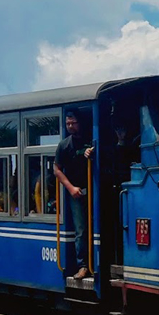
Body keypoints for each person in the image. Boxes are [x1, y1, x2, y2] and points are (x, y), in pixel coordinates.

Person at [54, 111, 93, 280]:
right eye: (68, 123)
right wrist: (70, 188)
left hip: (95, 190)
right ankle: (83, 265)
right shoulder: (64, 145)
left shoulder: (92, 139)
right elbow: (56, 169)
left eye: (73, 123)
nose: (70, 126)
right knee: (81, 229)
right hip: (76, 192)